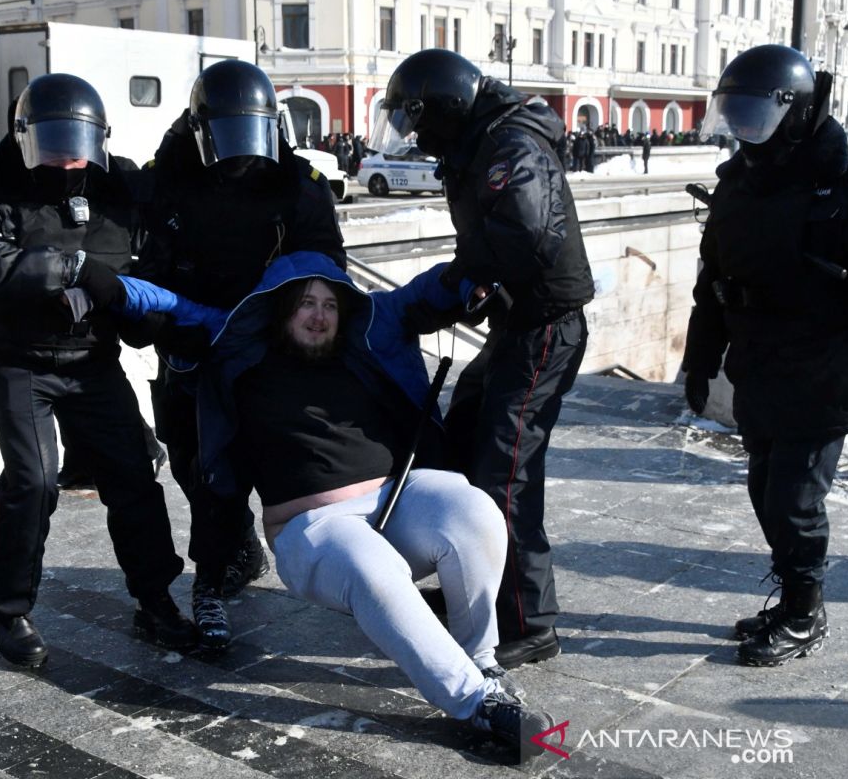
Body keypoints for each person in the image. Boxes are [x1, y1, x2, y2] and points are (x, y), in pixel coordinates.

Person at [112, 250, 554, 748]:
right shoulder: (236, 345)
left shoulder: (368, 337)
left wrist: (474, 276)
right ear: (280, 309)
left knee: (472, 509)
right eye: (305, 303)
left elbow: (429, 289)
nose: (319, 315)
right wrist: (90, 276)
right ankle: (479, 703)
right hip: (314, 529)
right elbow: (166, 303)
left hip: (397, 500)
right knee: (370, 566)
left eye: (328, 304)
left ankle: (480, 656)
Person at [685, 45, 848, 667]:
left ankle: (804, 612)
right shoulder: (741, 181)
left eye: (753, 115)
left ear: (792, 113)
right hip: (760, 368)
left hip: (823, 372)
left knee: (794, 499)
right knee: (766, 488)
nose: (741, 129)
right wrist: (702, 356)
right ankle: (794, 596)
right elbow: (714, 278)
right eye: (732, 115)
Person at [0, 73, 196, 668]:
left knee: (133, 472)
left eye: (78, 144)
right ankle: (8, 611)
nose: (68, 161)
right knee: (32, 480)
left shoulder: (119, 185)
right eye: (53, 144)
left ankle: (155, 596)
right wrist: (76, 268)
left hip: (91, 358)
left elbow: (161, 216)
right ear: (24, 137)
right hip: (19, 361)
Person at [371, 49, 595, 669]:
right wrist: (468, 283)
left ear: (441, 110)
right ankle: (480, 585)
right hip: (516, 321)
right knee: (466, 438)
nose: (414, 136)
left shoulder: (509, 146)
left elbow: (524, 235)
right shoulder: (480, 141)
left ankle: (526, 619)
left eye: (416, 122)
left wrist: (470, 277)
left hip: (543, 327)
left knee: (505, 471)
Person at [126, 59, 346, 650]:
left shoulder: (298, 186)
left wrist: (299, 328)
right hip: (191, 347)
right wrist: (166, 330)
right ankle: (231, 550)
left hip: (268, 346)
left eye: (252, 137)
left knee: (278, 463)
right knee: (194, 463)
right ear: (201, 133)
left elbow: (325, 270)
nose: (242, 157)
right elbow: (146, 270)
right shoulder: (168, 181)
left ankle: (218, 575)